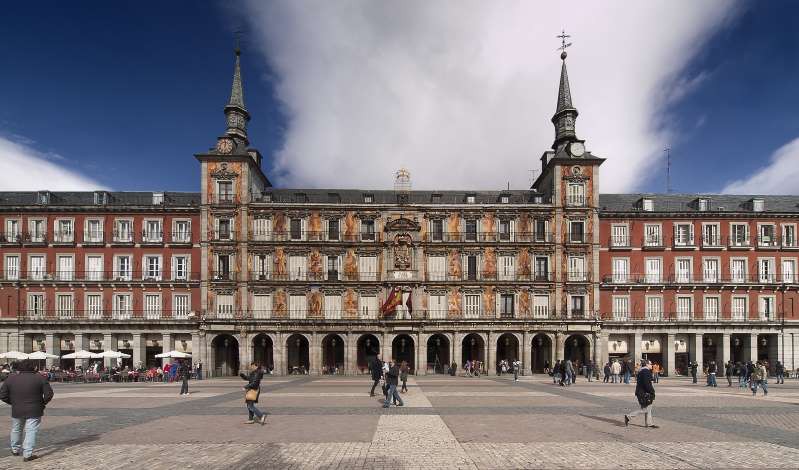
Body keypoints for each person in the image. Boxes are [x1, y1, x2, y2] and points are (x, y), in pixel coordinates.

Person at [0, 359, 54, 461]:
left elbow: (2, 395)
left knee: (16, 429)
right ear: (33, 367)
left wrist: (12, 402)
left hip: (17, 408)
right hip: (35, 409)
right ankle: (27, 454)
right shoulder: (39, 378)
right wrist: (42, 403)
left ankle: (15, 449)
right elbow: (49, 394)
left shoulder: (11, 378)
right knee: (31, 431)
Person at [624, 360, 657, 429]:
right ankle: (628, 416)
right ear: (647, 364)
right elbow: (647, 384)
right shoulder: (646, 371)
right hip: (644, 393)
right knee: (645, 409)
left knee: (648, 408)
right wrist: (652, 392)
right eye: (651, 364)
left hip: (640, 392)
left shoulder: (641, 371)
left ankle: (649, 423)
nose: (652, 365)